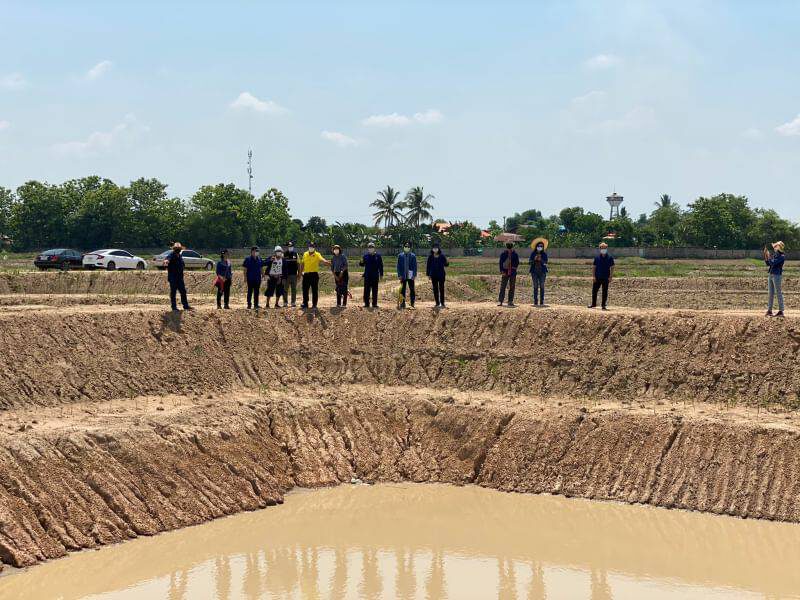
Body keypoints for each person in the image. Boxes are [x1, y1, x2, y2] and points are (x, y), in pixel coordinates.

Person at [299, 241, 330, 309]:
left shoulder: (317, 254)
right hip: (306, 275)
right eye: (310, 246)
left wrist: (327, 262)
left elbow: (322, 260)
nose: (311, 247)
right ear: (308, 246)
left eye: (312, 246)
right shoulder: (305, 254)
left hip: (314, 275)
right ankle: (305, 303)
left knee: (314, 290)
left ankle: (314, 304)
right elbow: (302, 264)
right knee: (305, 290)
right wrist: (300, 273)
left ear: (314, 247)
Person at [588, 242, 615, 310]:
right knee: (594, 291)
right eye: (602, 248)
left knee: (604, 291)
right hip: (597, 277)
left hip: (606, 277)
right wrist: (593, 276)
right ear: (600, 249)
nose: (603, 249)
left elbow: (612, 267)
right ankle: (593, 304)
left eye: (605, 248)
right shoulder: (597, 257)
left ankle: (603, 305)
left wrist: (611, 276)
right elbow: (594, 267)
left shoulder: (610, 257)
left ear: (606, 248)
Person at [166, 241, 191, 311]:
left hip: (180, 278)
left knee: (183, 291)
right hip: (173, 278)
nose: (178, 249)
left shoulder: (180, 256)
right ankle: (174, 307)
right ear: (174, 249)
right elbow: (167, 259)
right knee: (173, 292)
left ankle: (185, 306)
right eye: (177, 248)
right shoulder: (171, 254)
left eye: (179, 248)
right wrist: (166, 261)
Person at [764, 240, 786, 317]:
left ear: (779, 247)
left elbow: (773, 262)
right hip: (771, 274)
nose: (774, 246)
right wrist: (766, 255)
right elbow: (768, 263)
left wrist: (769, 255)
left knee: (778, 292)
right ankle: (769, 310)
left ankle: (781, 311)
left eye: (776, 245)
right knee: (770, 293)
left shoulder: (782, 256)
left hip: (777, 275)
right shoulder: (775, 255)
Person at [360, 242, 384, 308]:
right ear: (368, 248)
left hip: (375, 276)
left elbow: (381, 266)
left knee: (375, 290)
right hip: (367, 275)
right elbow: (362, 265)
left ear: (374, 248)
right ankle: (366, 303)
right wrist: (361, 261)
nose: (371, 248)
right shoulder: (365, 256)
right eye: (370, 247)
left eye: (372, 247)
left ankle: (374, 304)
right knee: (366, 290)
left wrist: (381, 275)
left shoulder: (378, 256)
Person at [426, 242, 449, 308]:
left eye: (436, 248)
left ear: (438, 249)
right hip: (433, 275)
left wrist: (447, 262)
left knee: (441, 289)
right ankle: (437, 303)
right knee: (435, 289)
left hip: (441, 275)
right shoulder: (430, 257)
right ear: (432, 249)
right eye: (434, 248)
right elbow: (428, 266)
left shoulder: (442, 256)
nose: (435, 249)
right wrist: (428, 274)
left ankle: (442, 303)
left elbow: (446, 264)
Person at [498, 242, 520, 307]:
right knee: (503, 287)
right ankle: (501, 301)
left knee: (512, 287)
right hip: (505, 272)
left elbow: (517, 262)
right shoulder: (503, 254)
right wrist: (502, 271)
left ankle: (510, 301)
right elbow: (501, 263)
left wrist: (513, 267)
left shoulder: (515, 254)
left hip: (512, 272)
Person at [396, 243, 418, 309]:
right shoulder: (400, 256)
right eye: (405, 246)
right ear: (403, 247)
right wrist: (399, 275)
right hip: (403, 276)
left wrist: (414, 275)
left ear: (410, 248)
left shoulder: (413, 256)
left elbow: (415, 266)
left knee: (412, 290)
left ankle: (412, 303)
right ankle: (402, 303)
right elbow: (398, 266)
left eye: (408, 246)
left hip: (410, 276)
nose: (407, 247)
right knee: (402, 290)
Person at [529, 238, 549, 307]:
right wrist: (534, 260)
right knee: (535, 286)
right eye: (539, 246)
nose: (540, 247)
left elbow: (546, 262)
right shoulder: (533, 253)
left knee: (542, 286)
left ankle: (542, 301)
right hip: (534, 272)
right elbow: (530, 262)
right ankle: (535, 301)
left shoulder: (544, 254)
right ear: (536, 246)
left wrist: (541, 260)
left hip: (542, 272)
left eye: (541, 246)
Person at [283, 240, 299, 307]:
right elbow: (282, 265)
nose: (290, 247)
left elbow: (298, 264)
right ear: (287, 247)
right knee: (285, 289)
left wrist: (299, 273)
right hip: (286, 275)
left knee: (293, 290)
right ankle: (285, 302)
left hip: (294, 275)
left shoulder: (296, 254)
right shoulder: (284, 254)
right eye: (289, 246)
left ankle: (293, 302)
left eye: (291, 246)